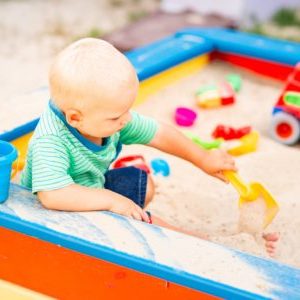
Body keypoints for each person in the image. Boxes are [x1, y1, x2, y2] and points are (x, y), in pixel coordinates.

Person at [20, 38, 278, 254]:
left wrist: (202, 158)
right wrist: (111, 201)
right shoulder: (51, 141)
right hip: (54, 213)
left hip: (92, 189)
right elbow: (52, 195)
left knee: (143, 183)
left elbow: (159, 133)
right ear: (75, 117)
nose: (126, 119)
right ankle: (210, 246)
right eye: (116, 117)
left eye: (127, 110)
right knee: (147, 222)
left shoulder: (104, 114)